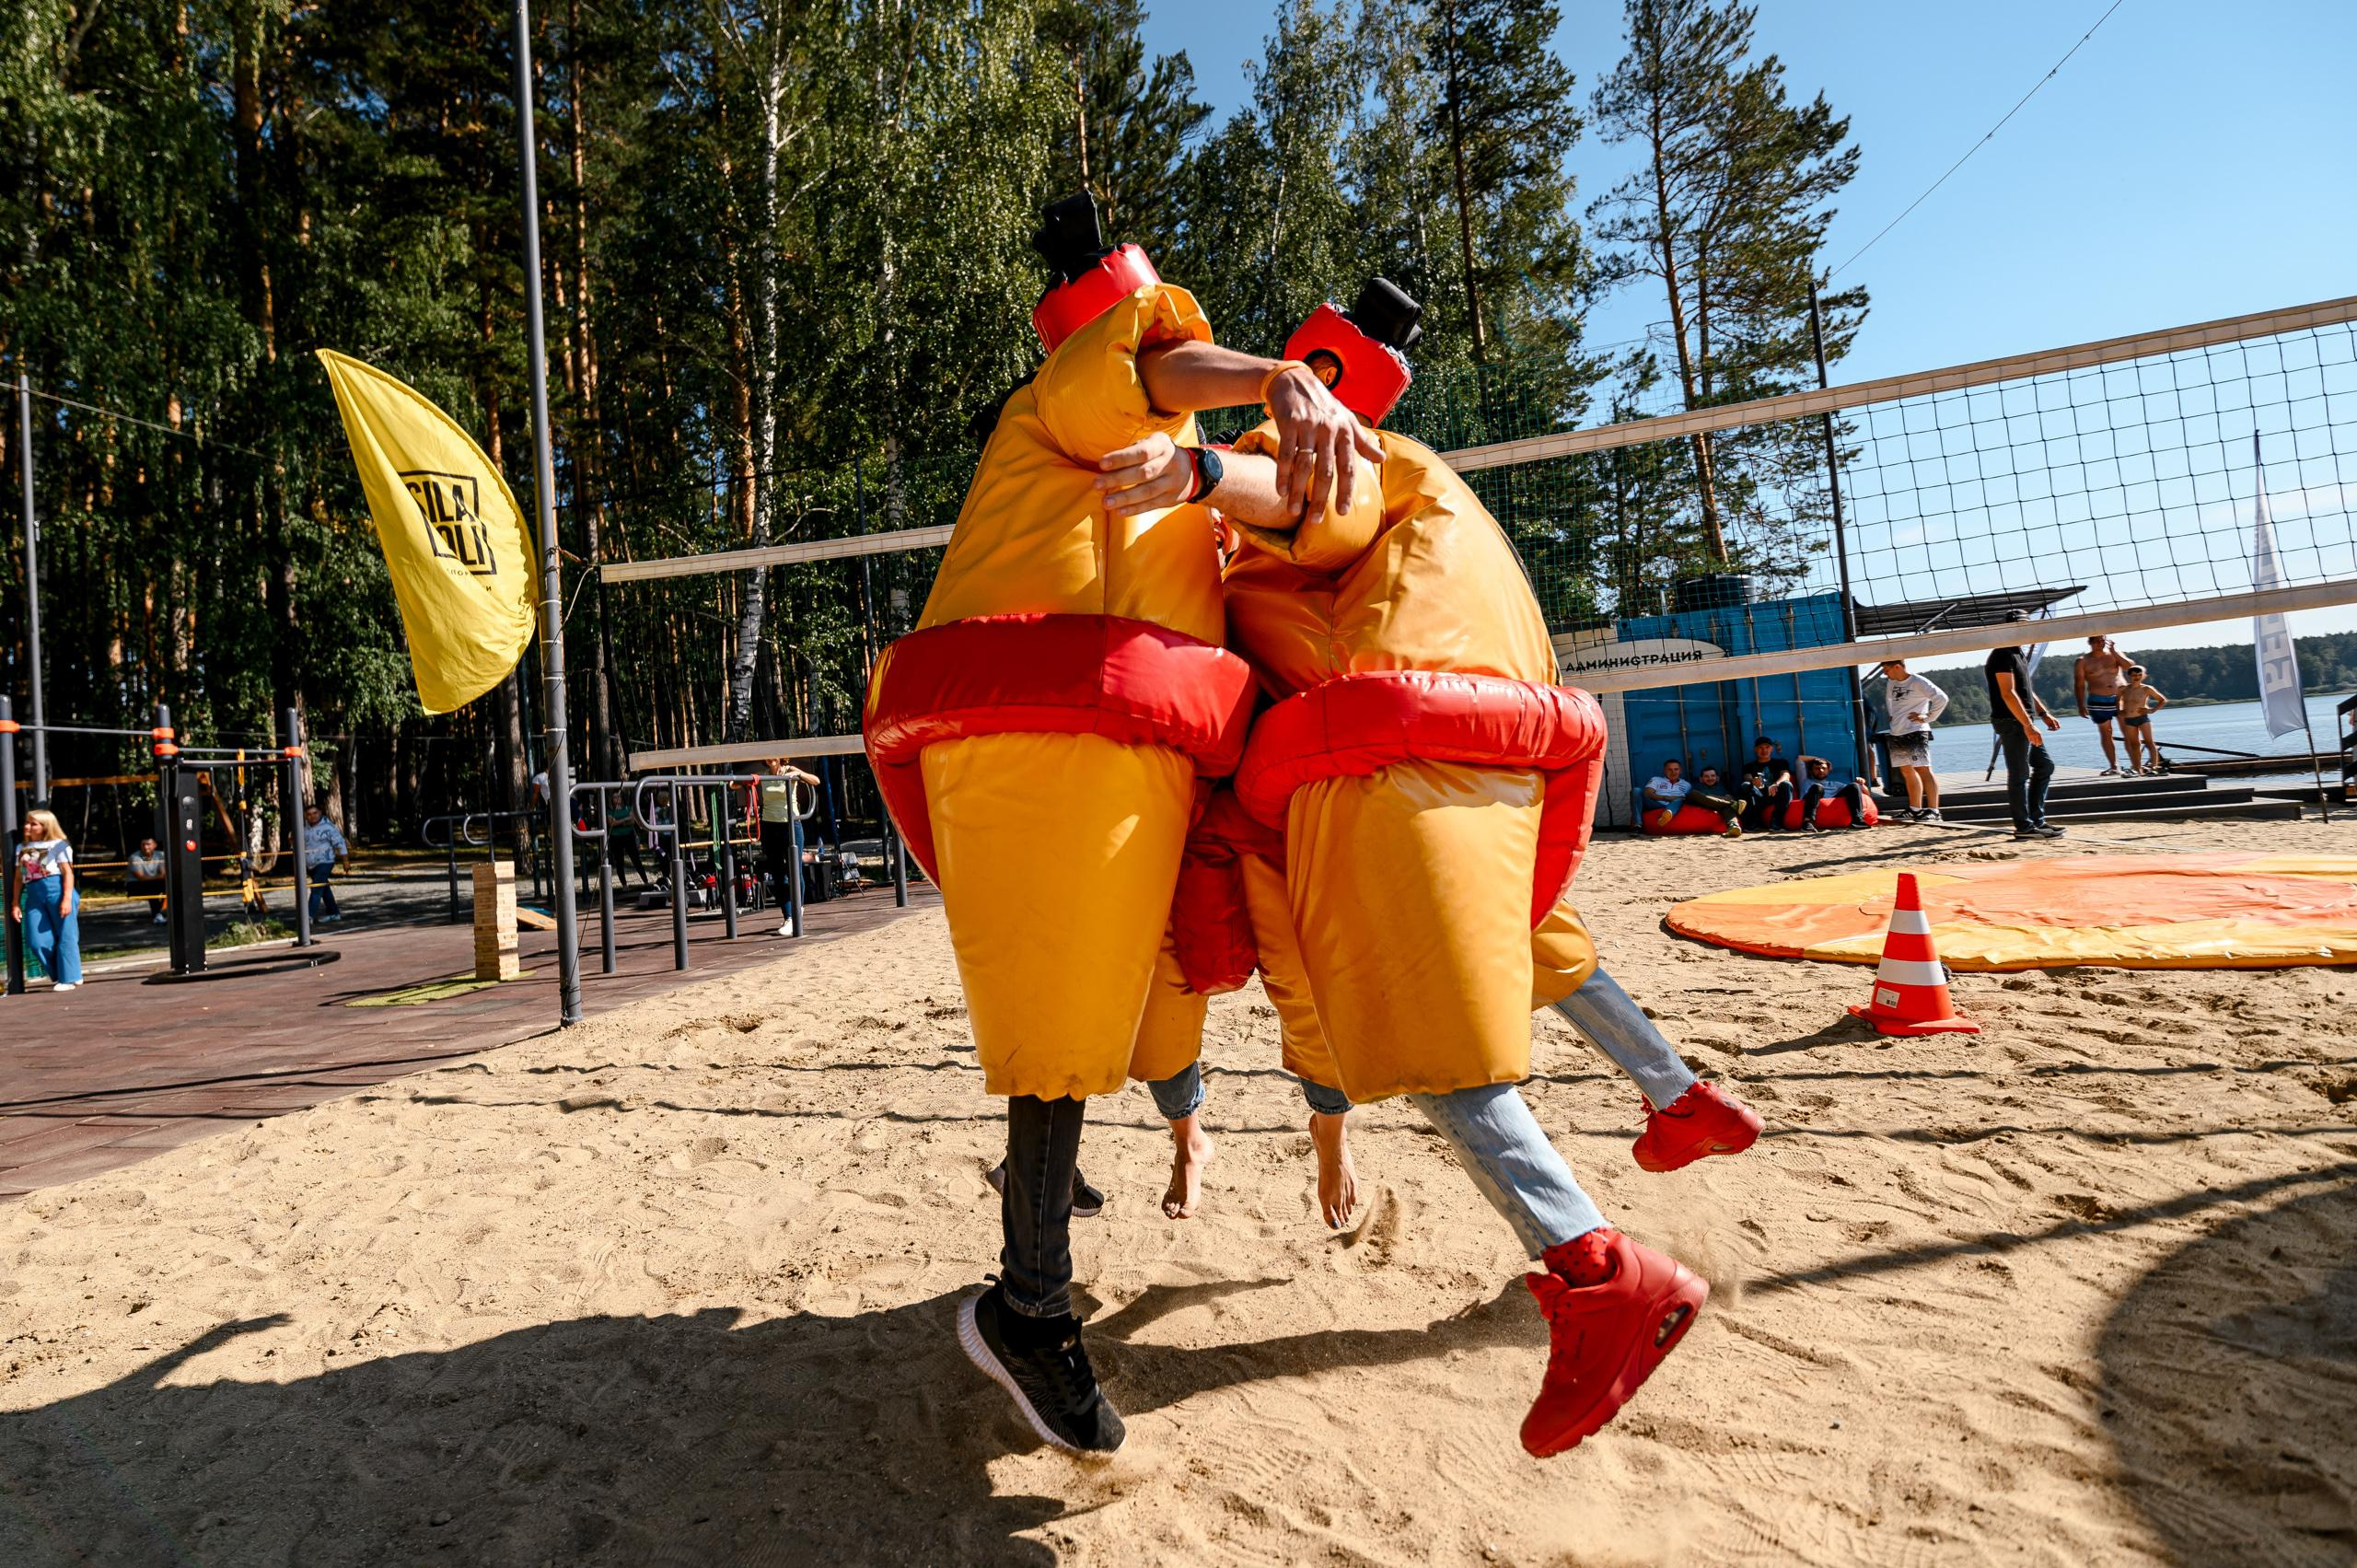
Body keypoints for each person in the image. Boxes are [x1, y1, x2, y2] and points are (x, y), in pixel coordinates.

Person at [861, 192, 1376, 1457]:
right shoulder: (1068, 402)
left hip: (1123, 740)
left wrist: (1232, 455)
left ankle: (1044, 1262)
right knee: (1062, 1020)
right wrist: (1276, 374)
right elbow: (1157, 360)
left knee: (1103, 1009)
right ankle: (1030, 1298)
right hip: (1053, 721)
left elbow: (1272, 503)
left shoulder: (1164, 475)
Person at [1185, 276, 1710, 1458]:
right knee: (1521, 958)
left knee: (1424, 1034)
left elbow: (1310, 502)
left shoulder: (1318, 439)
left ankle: (1598, 1272)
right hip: (1480, 746)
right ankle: (1680, 1094)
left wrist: (1202, 478)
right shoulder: (1432, 477)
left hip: (1392, 750)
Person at [1987, 620, 2065, 840]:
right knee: (2020, 774)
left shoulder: (2018, 653)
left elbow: (2026, 689)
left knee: (2045, 766)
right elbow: (2008, 693)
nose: (2029, 631)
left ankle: (2036, 821)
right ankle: (2023, 827)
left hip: (2024, 720)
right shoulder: (2002, 654)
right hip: (2011, 722)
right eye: (2023, 626)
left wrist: (2043, 713)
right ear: (2011, 629)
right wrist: (2028, 725)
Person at [11, 809, 83, 991]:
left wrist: (67, 898)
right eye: (27, 822)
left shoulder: (59, 845)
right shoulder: (21, 848)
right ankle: (64, 973)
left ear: (45, 826)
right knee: (36, 940)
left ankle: (69, 978)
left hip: (58, 890)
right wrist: (15, 902)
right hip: (34, 894)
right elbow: (19, 877)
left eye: (33, 823)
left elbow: (68, 873)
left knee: (66, 934)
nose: (27, 826)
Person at [1877, 659, 1947, 822]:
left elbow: (1942, 698)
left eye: (1886, 669)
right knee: (1907, 771)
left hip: (1916, 731)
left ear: (1897, 667)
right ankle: (1915, 808)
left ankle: (1934, 810)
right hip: (1897, 732)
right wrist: (1892, 715)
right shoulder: (1890, 683)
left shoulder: (1918, 681)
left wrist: (1928, 717)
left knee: (1923, 768)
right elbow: (1889, 700)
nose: (1884, 673)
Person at [754, 760, 811, 936]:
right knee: (778, 872)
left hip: (791, 824)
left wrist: (798, 774)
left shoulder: (789, 769)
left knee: (795, 869)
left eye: (775, 754)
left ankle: (797, 909)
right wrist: (744, 780)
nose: (771, 758)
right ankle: (788, 916)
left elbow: (816, 781)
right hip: (770, 826)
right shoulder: (763, 774)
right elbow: (734, 785)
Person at [2074, 634, 2133, 776]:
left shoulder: (2114, 654)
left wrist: (2114, 651)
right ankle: (2114, 766)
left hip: (2120, 698)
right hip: (2098, 700)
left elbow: (2130, 667)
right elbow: (2079, 684)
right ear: (2090, 642)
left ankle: (2135, 765)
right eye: (2097, 640)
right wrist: (2081, 705)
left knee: (2129, 731)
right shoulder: (2083, 661)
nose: (2101, 643)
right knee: (2106, 733)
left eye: (2103, 640)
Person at [1791, 754, 1871, 830]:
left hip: (1833, 809)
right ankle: (1807, 822)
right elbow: (1800, 759)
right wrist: (1825, 760)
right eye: (1817, 768)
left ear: (1828, 770)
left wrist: (1861, 783)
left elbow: (1866, 794)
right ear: (1811, 770)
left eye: (1823, 768)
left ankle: (1858, 820)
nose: (1821, 770)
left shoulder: (1835, 784)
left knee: (1854, 785)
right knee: (1817, 787)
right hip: (1811, 801)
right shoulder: (1804, 781)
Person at [302, 802, 351, 923]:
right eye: (309, 814)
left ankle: (308, 916)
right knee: (324, 888)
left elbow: (340, 844)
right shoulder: (304, 828)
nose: (312, 816)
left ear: (320, 813)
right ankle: (334, 913)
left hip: (325, 861)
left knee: (317, 888)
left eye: (315, 813)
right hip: (310, 864)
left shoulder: (329, 827)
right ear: (305, 816)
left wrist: (346, 861)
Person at [1734, 736, 1795, 828]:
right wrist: (1754, 782)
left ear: (1772, 749)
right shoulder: (1749, 766)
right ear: (1755, 749)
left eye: (1767, 747)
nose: (1764, 750)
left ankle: (1777, 822)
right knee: (1745, 785)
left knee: (1787, 784)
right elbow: (1747, 778)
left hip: (1775, 794)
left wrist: (1776, 784)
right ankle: (1751, 822)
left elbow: (1786, 775)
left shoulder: (1781, 762)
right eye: (1760, 748)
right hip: (1759, 795)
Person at [2118, 664, 2168, 773]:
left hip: (2142, 718)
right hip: (2129, 720)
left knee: (2149, 742)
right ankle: (2137, 769)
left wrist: (2151, 710)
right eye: (2134, 675)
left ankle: (2154, 767)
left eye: (2139, 675)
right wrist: (2119, 710)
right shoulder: (2124, 689)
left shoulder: (2146, 689)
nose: (2137, 677)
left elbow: (2162, 700)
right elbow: (2117, 701)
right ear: (2129, 676)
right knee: (2135, 745)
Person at [1684, 765, 1745, 836]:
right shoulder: (1697, 786)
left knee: (1726, 808)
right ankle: (1733, 804)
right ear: (1701, 779)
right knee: (1693, 793)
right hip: (1703, 805)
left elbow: (1729, 797)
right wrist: (1721, 798)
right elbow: (1695, 798)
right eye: (1706, 776)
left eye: (1713, 776)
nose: (1710, 778)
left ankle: (1734, 827)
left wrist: (1714, 797)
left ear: (1717, 778)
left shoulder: (1721, 787)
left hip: (1719, 807)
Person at [1640, 759, 1692, 828]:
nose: (1673, 772)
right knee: (1636, 791)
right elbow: (1648, 793)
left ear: (1680, 771)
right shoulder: (1656, 779)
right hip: (1656, 804)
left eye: (1676, 769)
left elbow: (1689, 799)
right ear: (1664, 771)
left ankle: (1667, 814)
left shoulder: (1687, 785)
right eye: (1669, 769)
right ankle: (1637, 823)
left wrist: (1677, 799)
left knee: (1680, 800)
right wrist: (1666, 798)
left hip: (1675, 805)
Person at [127, 836, 168, 923]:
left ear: (154, 845)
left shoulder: (160, 855)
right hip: (136, 885)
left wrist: (160, 877)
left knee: (170, 885)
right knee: (152, 887)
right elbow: (141, 877)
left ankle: (160, 912)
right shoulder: (134, 857)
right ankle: (157, 915)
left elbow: (163, 873)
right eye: (143, 844)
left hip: (153, 883)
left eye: (148, 844)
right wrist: (159, 877)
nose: (145, 847)